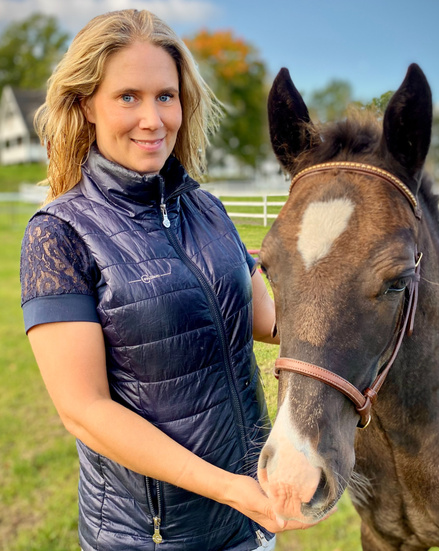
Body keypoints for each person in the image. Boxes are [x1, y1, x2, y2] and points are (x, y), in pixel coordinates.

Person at [20, 10, 308, 550]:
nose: (153, 119)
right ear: (86, 105)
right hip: (150, 537)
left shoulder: (208, 210)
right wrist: (231, 489)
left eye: (166, 96)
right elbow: (84, 411)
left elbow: (267, 321)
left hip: (250, 523)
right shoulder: (58, 235)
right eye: (128, 96)